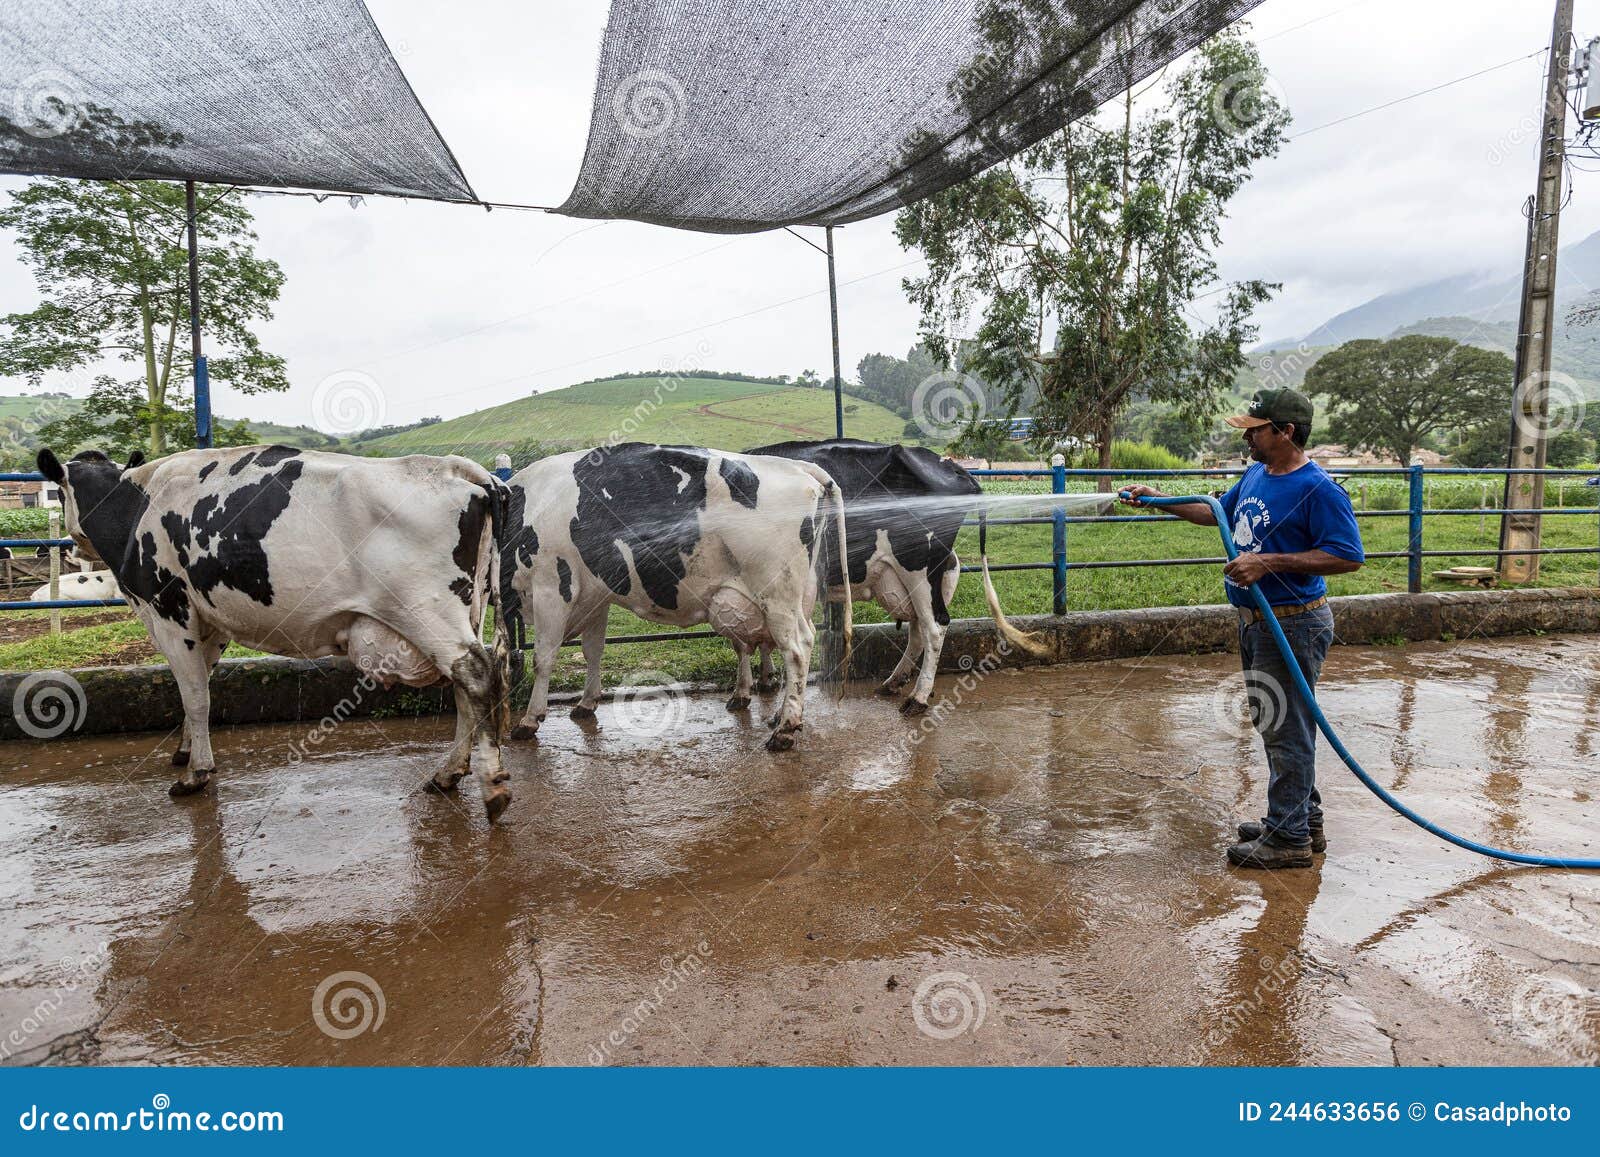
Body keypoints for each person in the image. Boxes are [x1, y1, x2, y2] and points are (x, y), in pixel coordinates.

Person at [1120, 387, 1364, 869]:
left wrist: (1267, 563)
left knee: (1285, 727)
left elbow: (1347, 555)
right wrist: (1159, 500)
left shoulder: (1318, 489)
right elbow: (1216, 514)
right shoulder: (1256, 474)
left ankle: (1289, 840)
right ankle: (1298, 818)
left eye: (1255, 430)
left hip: (1293, 624)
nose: (1247, 438)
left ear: (1285, 431)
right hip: (1256, 622)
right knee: (1278, 723)